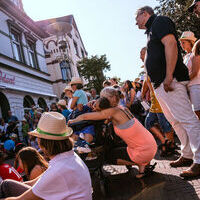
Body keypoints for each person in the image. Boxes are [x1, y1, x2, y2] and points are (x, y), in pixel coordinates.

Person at [136, 6, 200, 177]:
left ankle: (199, 160)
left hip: (170, 80)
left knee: (187, 119)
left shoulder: (159, 21)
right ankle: (187, 154)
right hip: (160, 84)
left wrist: (169, 75)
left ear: (145, 13)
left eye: (137, 17)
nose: (135, 22)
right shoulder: (151, 30)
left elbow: (171, 44)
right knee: (175, 122)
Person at [0, 112, 92, 200]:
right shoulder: (68, 157)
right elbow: (33, 183)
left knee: (6, 186)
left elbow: (20, 199)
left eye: (38, 137)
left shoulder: (59, 169)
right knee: (7, 184)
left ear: (42, 142)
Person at [69, 87, 157, 178]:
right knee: (116, 145)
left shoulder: (112, 111)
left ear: (108, 99)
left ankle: (141, 164)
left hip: (145, 151)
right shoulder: (122, 108)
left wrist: (73, 120)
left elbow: (86, 117)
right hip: (150, 145)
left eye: (101, 98)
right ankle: (143, 162)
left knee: (108, 156)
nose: (100, 99)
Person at [180, 32, 200, 119]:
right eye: (181, 42)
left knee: (197, 111)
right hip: (189, 87)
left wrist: (182, 82)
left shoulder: (195, 54)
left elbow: (195, 72)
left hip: (196, 85)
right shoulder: (185, 57)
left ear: (190, 42)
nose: (181, 44)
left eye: (183, 42)